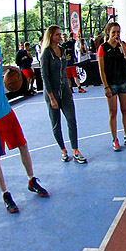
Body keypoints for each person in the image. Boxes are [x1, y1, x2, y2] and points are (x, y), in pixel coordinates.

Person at [0, 16, 48, 213]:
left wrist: (8, 68)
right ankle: (5, 194)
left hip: (6, 111)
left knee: (23, 145)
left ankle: (31, 180)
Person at [40, 25, 86, 164]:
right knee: (56, 123)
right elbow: (45, 77)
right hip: (52, 92)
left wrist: (68, 89)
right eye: (56, 35)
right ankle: (63, 150)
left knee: (71, 119)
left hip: (65, 90)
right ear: (50, 37)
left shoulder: (62, 50)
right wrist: (52, 97)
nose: (59, 37)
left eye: (60, 34)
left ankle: (75, 151)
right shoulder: (46, 54)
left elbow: (64, 72)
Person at [97, 22, 126, 151]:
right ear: (108, 32)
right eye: (113, 32)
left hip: (123, 81)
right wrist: (106, 86)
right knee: (113, 112)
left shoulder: (122, 45)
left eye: (118, 32)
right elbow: (101, 69)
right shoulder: (103, 48)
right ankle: (114, 139)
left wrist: (121, 45)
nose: (116, 34)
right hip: (111, 83)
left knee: (125, 110)